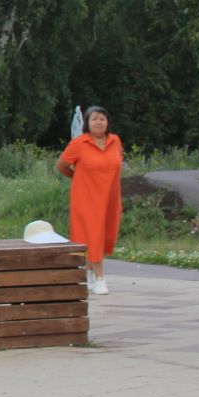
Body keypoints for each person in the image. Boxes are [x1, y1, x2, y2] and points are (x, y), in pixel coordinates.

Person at [57, 105, 123, 296]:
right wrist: (78, 178)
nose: (98, 122)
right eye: (94, 119)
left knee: (106, 234)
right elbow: (61, 165)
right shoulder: (79, 143)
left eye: (102, 118)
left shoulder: (115, 141)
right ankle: (101, 277)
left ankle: (89, 275)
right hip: (87, 197)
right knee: (93, 234)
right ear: (87, 122)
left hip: (109, 196)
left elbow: (116, 164)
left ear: (107, 122)